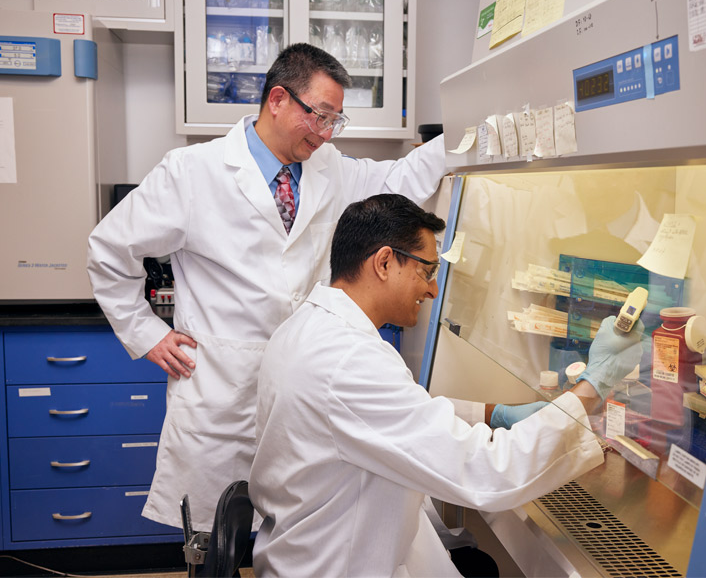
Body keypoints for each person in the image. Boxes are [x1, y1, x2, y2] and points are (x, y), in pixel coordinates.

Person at [86, 44, 447, 531]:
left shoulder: (330, 170)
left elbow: (399, 180)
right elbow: (110, 247)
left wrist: (463, 134)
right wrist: (145, 333)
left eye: (334, 121)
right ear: (277, 99)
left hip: (301, 386)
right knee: (217, 541)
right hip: (220, 393)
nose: (324, 132)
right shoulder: (192, 171)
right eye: (318, 115)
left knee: (289, 534)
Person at [249, 193, 644, 577]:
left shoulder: (309, 328)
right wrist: (596, 382)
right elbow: (487, 471)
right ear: (384, 262)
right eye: (427, 270)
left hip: (310, 549)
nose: (433, 289)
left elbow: (385, 414)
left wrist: (494, 414)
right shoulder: (349, 359)